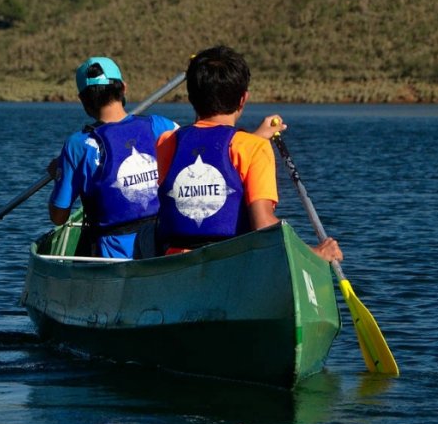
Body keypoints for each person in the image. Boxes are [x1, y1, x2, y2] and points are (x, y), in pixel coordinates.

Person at [155, 45, 342, 262]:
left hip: (176, 264)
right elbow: (263, 225)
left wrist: (255, 139)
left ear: (190, 97)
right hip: (232, 264)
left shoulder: (166, 141)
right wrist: (315, 253)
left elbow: (208, 149)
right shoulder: (253, 148)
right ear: (243, 99)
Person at [47, 56, 178, 258]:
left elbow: (58, 216)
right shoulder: (160, 126)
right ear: (124, 88)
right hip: (163, 244)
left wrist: (59, 173)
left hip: (111, 256)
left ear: (83, 99)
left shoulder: (78, 145)